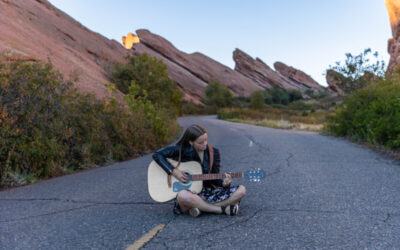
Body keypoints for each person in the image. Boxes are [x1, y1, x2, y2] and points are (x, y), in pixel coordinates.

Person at [152, 124, 246, 217]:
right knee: (182, 196)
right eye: (200, 142)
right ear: (191, 142)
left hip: (208, 192)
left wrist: (224, 183)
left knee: (241, 190)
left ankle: (199, 207)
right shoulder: (181, 150)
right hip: (190, 193)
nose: (205, 143)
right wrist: (173, 171)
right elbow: (157, 155)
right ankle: (220, 209)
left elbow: (214, 178)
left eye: (206, 139)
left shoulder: (214, 152)